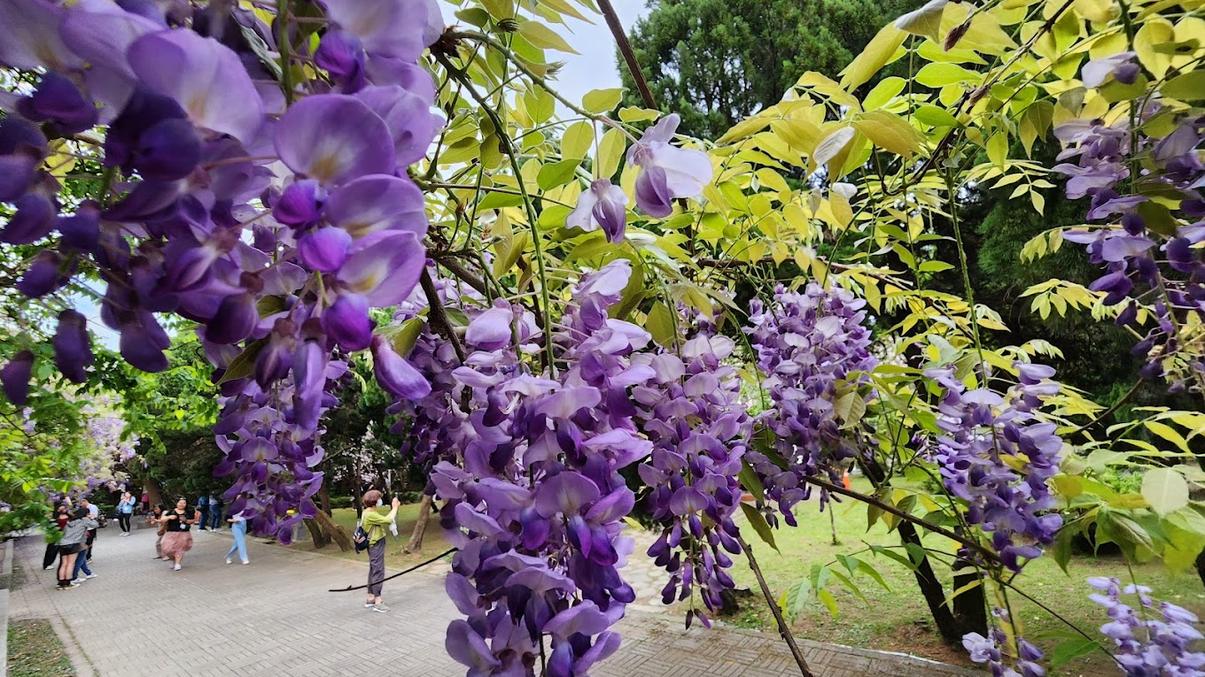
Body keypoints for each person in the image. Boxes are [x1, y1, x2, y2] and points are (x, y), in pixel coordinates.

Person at [359, 490, 400, 613]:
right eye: (379, 499)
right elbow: (388, 519)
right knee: (378, 570)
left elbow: (383, 520)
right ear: (374, 501)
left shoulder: (369, 512)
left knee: (374, 569)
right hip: (375, 544)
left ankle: (370, 597)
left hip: (374, 544)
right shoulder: (370, 514)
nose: (380, 501)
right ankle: (378, 600)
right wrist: (395, 507)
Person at [56, 507, 96, 590]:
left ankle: (61, 583)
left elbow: (64, 532)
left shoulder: (69, 521)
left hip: (62, 544)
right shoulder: (84, 521)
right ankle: (68, 583)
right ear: (85, 514)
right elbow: (95, 525)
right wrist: (92, 518)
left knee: (64, 563)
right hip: (73, 544)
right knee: (70, 564)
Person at [160, 497, 198, 571]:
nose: (182, 504)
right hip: (170, 533)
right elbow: (162, 519)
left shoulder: (188, 511)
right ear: (177, 503)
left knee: (179, 549)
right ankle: (173, 559)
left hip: (183, 533)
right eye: (180, 502)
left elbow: (193, 520)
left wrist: (186, 520)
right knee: (166, 548)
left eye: (184, 503)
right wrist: (169, 517)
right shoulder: (171, 511)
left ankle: (178, 563)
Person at [42, 503, 69, 570]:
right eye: (61, 508)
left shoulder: (68, 515)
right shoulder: (54, 517)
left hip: (65, 535)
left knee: (63, 550)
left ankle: (64, 563)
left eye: (64, 508)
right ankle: (47, 563)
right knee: (52, 550)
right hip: (55, 535)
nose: (63, 510)